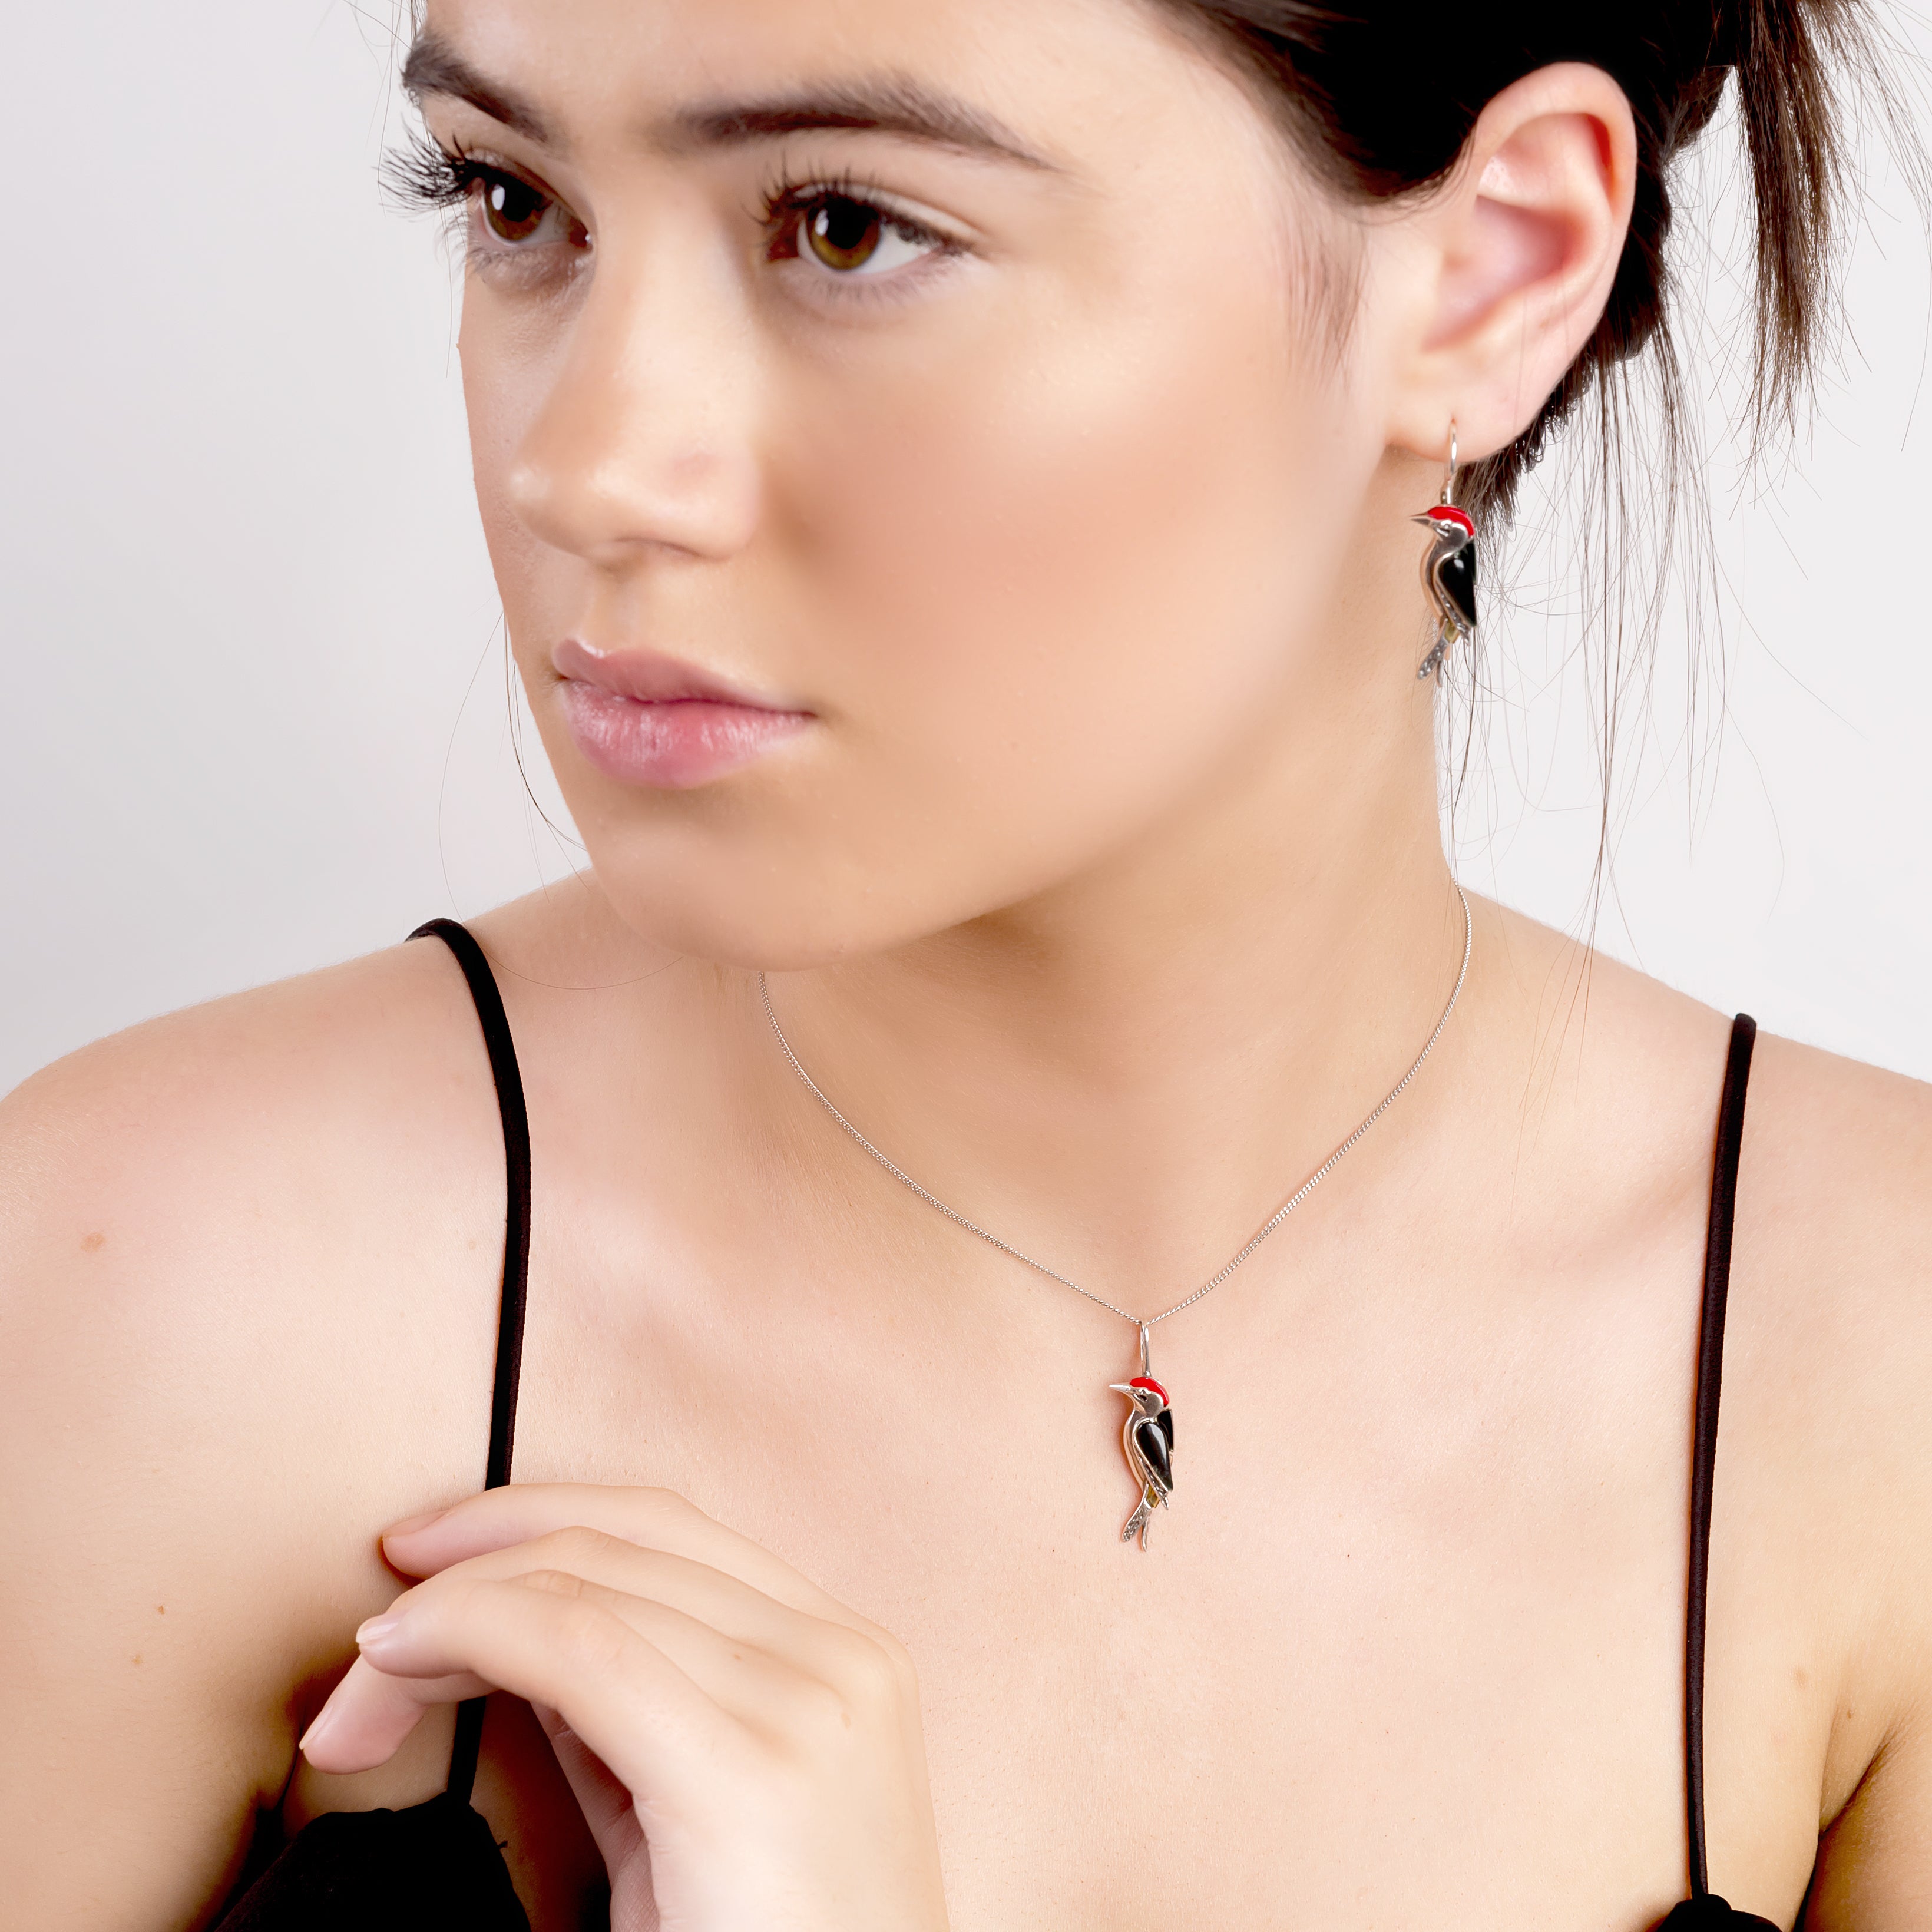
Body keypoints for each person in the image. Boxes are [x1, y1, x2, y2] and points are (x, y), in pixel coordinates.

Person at [4, 1, 1928, 1926]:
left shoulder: (1875, 1380)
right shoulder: (147, 1302)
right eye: (517, 201)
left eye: (848, 228)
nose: (586, 470)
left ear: (1494, 271)